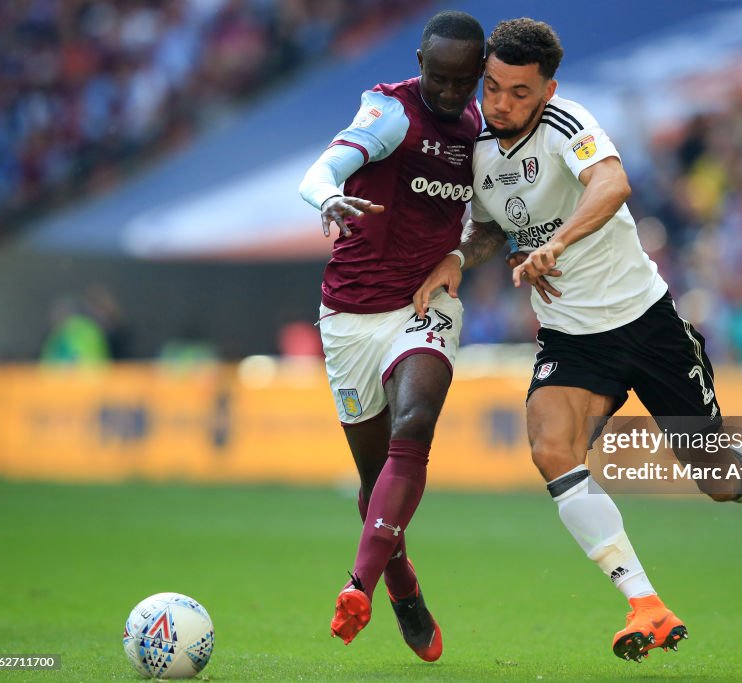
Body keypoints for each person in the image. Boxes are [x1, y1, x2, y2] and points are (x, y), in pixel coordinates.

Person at [413, 18, 742, 663]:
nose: (501, 103)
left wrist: (559, 241)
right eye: (493, 87)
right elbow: (488, 231)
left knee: (717, 481)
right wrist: (458, 257)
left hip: (647, 325)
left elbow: (612, 184)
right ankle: (644, 602)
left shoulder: (569, 125)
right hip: (572, 338)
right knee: (552, 448)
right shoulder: (474, 145)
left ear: (549, 91)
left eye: (519, 93)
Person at [297, 10, 485, 658]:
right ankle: (403, 584)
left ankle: (360, 583)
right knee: (374, 476)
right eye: (439, 76)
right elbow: (319, 171)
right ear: (420, 62)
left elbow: (491, 220)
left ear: (480, 74)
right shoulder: (390, 112)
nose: (451, 92)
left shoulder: (481, 132)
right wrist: (327, 198)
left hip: (422, 303)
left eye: (465, 81)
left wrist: (458, 257)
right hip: (349, 315)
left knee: (415, 423)